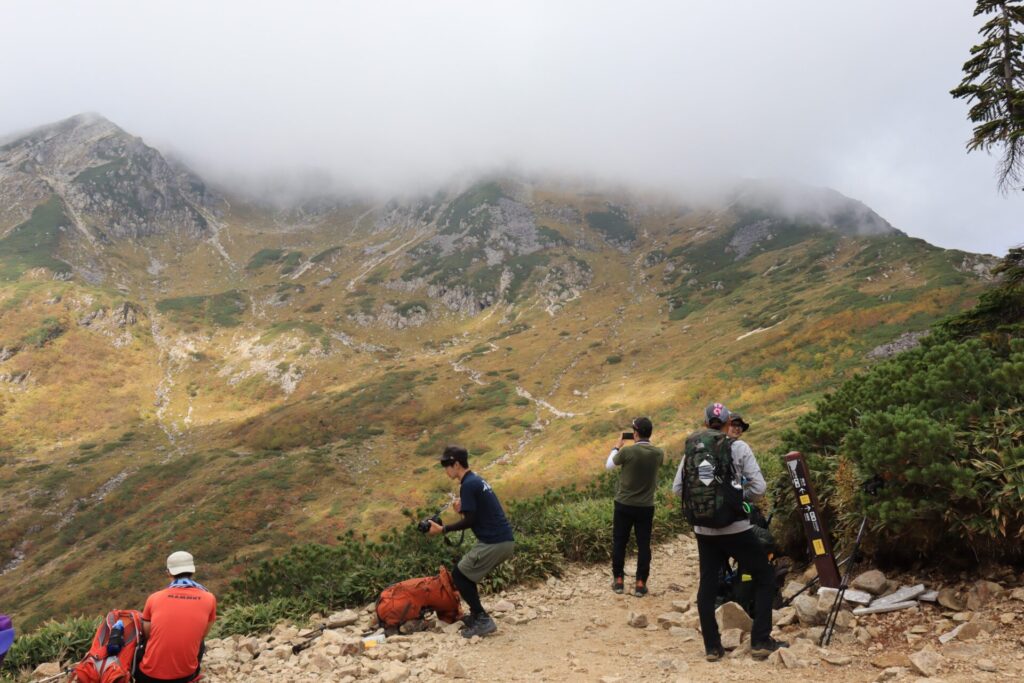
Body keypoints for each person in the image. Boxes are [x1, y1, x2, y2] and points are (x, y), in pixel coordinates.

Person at [673, 403, 785, 662]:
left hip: (703, 529)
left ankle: (712, 647)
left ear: (705, 424)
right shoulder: (737, 446)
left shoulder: (692, 449)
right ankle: (760, 641)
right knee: (764, 575)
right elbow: (759, 488)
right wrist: (736, 497)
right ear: (727, 424)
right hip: (735, 527)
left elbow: (678, 489)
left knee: (707, 584)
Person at [427, 445, 515, 638]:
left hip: (495, 541)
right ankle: (476, 615)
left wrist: (443, 529)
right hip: (502, 539)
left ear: (456, 464)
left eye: (446, 465)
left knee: (459, 575)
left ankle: (483, 619)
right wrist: (462, 511)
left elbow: (471, 521)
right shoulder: (475, 480)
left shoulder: (468, 484)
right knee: (465, 573)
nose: (445, 469)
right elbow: (475, 515)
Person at [604, 416, 664, 596]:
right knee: (644, 544)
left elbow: (608, 465)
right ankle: (640, 583)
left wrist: (617, 446)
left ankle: (619, 580)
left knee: (620, 542)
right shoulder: (658, 453)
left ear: (635, 433)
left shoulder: (627, 452)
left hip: (623, 504)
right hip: (646, 506)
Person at [136, 551, 216, 683]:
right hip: (185, 677)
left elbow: (148, 634)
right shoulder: (209, 598)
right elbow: (202, 634)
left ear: (168, 572)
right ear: (193, 571)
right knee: (199, 642)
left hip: (148, 677)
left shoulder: (154, 598)